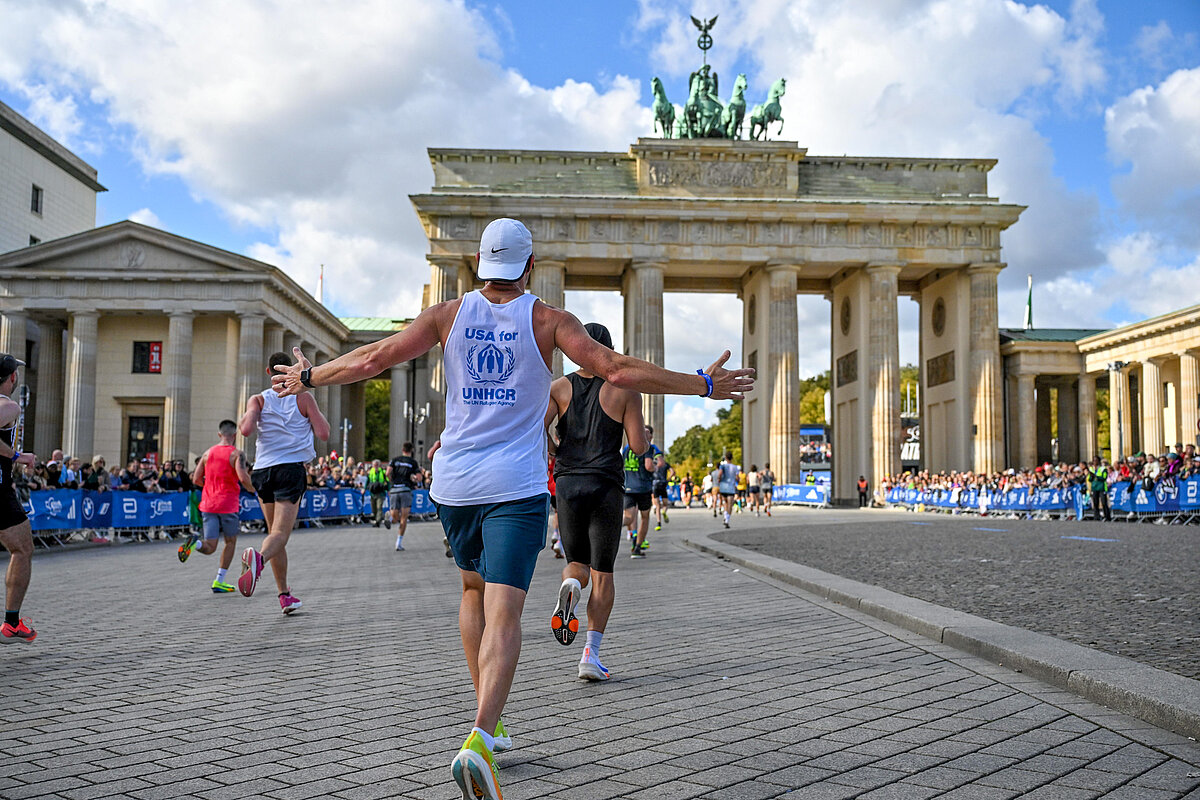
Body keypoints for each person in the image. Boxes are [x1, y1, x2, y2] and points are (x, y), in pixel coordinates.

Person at [269, 218, 753, 800]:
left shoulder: (447, 316)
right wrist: (701, 383)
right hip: (514, 486)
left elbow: (375, 358)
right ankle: (477, 737)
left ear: (477, 263)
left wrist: (309, 377)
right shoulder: (549, 320)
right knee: (505, 612)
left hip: (454, 486)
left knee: (472, 594)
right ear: (529, 266)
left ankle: (492, 727)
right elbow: (616, 370)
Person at [543, 322, 648, 681]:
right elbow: (637, 446)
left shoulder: (559, 388)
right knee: (603, 575)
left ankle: (571, 586)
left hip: (568, 484)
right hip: (605, 485)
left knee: (577, 565)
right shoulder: (625, 389)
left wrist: (555, 450)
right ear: (609, 351)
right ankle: (591, 654)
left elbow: (537, 429)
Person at [237, 351, 330, 614]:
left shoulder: (258, 399)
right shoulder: (303, 397)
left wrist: (252, 413)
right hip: (290, 469)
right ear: (290, 371)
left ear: (268, 373)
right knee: (280, 535)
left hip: (263, 470)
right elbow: (324, 433)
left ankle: (284, 595)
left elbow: (245, 430)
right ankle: (259, 559)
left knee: (274, 534)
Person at [178, 420, 256, 593]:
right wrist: (255, 490)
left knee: (210, 546)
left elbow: (196, 478)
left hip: (208, 503)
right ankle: (219, 580)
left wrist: (209, 485)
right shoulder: (237, 454)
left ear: (220, 434)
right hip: (228, 503)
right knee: (230, 542)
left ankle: (194, 544)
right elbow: (243, 478)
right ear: (235, 435)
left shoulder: (207, 453)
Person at [0, 354, 37, 642]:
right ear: (12, 377)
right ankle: (11, 622)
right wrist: (17, 455)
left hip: (3, 486)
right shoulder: (7, 405)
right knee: (22, 548)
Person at [622, 426, 660, 558]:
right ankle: (637, 548)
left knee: (629, 517)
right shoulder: (648, 447)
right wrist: (656, 468)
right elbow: (649, 466)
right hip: (643, 487)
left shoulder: (627, 448)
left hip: (628, 486)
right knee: (644, 517)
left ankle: (608, 525)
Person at [387, 442, 424, 551]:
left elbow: (387, 472)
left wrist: (392, 482)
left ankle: (389, 516)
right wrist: (414, 478)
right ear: (411, 450)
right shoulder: (413, 462)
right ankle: (398, 542)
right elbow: (419, 478)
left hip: (394, 489)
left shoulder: (395, 460)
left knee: (395, 516)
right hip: (406, 490)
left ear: (402, 449)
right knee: (403, 518)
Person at [716, 451, 740, 529]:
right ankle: (727, 520)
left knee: (725, 502)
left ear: (725, 458)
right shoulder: (735, 467)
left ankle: (725, 515)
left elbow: (720, 474)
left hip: (723, 486)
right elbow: (737, 477)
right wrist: (737, 481)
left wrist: (719, 480)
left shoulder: (723, 466)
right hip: (731, 487)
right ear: (732, 458)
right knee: (730, 504)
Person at [651, 453, 674, 531]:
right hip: (663, 484)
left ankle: (658, 523)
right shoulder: (666, 464)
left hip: (655, 485)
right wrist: (668, 479)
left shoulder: (654, 464)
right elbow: (672, 472)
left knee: (657, 506)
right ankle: (664, 511)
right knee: (665, 504)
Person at [366, 459, 389, 528]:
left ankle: (377, 521)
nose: (376, 466)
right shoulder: (371, 472)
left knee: (379, 507)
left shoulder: (383, 472)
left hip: (380, 493)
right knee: (373, 509)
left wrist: (388, 489)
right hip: (373, 493)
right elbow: (367, 481)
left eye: (377, 465)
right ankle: (378, 518)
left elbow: (387, 481)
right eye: (374, 465)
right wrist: (365, 489)